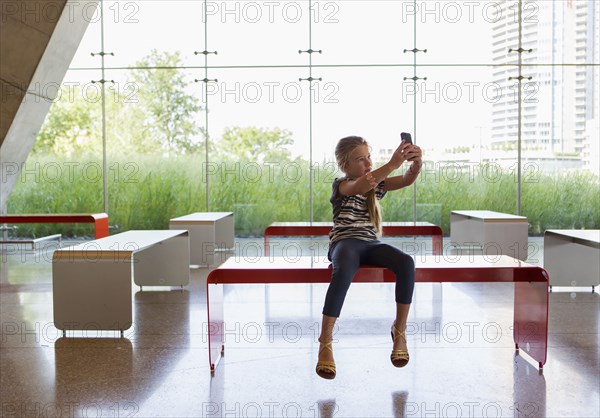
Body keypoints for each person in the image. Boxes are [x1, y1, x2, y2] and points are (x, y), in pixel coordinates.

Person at [316, 135, 423, 380]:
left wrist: (415, 165)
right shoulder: (342, 185)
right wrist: (394, 163)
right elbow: (362, 185)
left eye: (369, 157)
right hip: (345, 244)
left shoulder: (377, 184)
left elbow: (406, 180)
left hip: (370, 243)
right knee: (343, 270)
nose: (367, 162)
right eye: (360, 159)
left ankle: (399, 331)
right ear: (345, 165)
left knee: (406, 262)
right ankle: (325, 340)